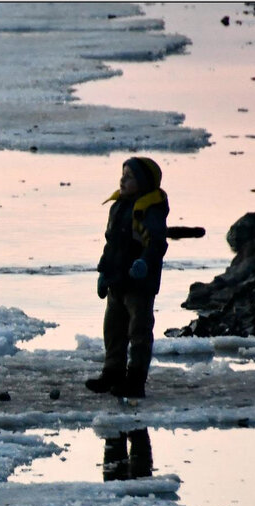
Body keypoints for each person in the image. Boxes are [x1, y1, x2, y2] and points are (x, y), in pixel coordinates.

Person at [85, 157, 169, 399]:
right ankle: (112, 373)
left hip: (139, 284)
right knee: (113, 329)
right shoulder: (119, 206)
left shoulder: (149, 210)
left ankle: (135, 379)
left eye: (129, 176)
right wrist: (103, 271)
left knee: (139, 330)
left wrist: (144, 261)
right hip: (116, 280)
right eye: (122, 174)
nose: (122, 180)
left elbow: (156, 243)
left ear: (143, 183)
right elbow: (111, 243)